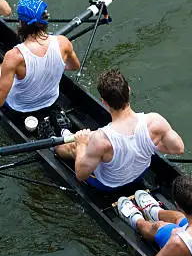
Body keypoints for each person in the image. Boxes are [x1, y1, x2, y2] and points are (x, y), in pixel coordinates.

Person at [53, 69, 184, 191]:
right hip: (140, 174)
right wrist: (150, 144)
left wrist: (81, 143)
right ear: (128, 89)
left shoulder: (100, 139)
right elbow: (178, 149)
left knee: (73, 147)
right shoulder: (156, 122)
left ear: (104, 102)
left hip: (108, 185)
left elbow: (81, 175)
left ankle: (58, 141)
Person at [0, 0, 80, 119]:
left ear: (21, 23)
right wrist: (47, 68)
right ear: (45, 19)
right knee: (7, 69)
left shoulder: (15, 56)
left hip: (19, 107)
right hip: (50, 101)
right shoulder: (63, 43)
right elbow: (74, 66)